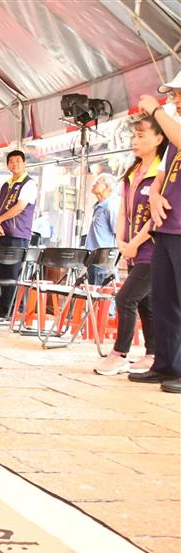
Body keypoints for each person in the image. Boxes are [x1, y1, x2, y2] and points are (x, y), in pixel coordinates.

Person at [94, 115, 165, 376]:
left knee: (125, 298)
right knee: (145, 302)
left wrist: (135, 243)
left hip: (153, 249)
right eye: (134, 136)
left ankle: (120, 354)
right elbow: (124, 210)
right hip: (132, 249)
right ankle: (152, 354)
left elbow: (157, 217)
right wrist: (121, 242)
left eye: (141, 136)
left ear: (158, 139)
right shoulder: (132, 172)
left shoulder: (162, 173)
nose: (135, 141)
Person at [132, 74, 181, 392]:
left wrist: (156, 111)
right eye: (173, 95)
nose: (175, 100)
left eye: (179, 94)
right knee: (164, 302)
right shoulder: (174, 132)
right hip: (167, 227)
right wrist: (153, 193)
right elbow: (162, 172)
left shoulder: (172, 127)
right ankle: (166, 364)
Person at [0, 150, 37, 318]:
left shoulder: (29, 183)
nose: (14, 164)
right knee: (2, 273)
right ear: (7, 165)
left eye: (18, 161)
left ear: (24, 163)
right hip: (1, 234)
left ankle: (13, 309)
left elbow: (20, 207)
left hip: (18, 236)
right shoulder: (5, 184)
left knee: (13, 273)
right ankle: (3, 308)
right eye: (11, 161)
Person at [85, 173, 119, 285]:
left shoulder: (110, 206)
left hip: (103, 262)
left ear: (107, 187)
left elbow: (118, 233)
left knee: (98, 294)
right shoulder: (99, 207)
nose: (93, 183)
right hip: (93, 259)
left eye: (97, 182)